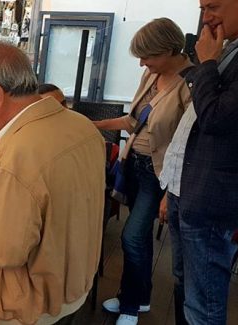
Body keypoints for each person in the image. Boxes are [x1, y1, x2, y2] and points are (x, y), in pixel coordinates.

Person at [0, 40, 106, 325]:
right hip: (71, 286)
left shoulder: (20, 150)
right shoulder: (81, 125)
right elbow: (56, 198)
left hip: (32, 305)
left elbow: (2, 250)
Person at [92, 18, 193, 325]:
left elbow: (188, 146)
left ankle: (131, 305)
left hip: (158, 175)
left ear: (168, 50)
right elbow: (134, 122)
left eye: (146, 56)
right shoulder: (152, 75)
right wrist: (92, 126)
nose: (141, 64)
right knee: (140, 237)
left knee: (133, 237)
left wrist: (169, 193)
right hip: (132, 165)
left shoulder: (190, 85)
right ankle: (141, 297)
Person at [163, 1, 238, 324]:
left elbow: (217, 117)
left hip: (214, 199)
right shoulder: (234, 47)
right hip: (188, 190)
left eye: (214, 5)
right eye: (203, 8)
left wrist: (205, 64)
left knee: (203, 303)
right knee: (187, 287)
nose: (206, 17)